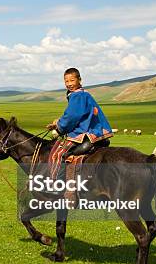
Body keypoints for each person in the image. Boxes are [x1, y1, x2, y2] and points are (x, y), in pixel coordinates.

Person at [46, 68, 113, 205]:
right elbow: (75, 115)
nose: (69, 83)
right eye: (66, 81)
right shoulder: (83, 94)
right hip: (96, 131)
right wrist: (58, 122)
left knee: (58, 153)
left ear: (79, 80)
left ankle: (55, 187)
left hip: (85, 133)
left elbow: (72, 117)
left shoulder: (77, 96)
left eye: (72, 80)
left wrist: (59, 129)